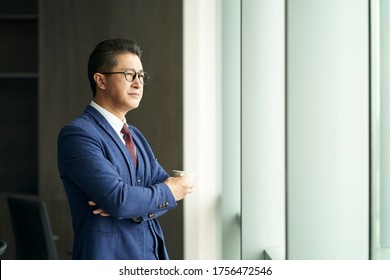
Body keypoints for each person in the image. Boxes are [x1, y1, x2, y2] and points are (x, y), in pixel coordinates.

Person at [57, 38, 193, 260]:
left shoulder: (135, 135)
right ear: (100, 80)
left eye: (141, 76)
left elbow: (130, 200)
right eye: (129, 75)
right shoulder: (78, 134)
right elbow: (120, 200)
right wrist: (164, 193)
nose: (138, 83)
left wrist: (132, 205)